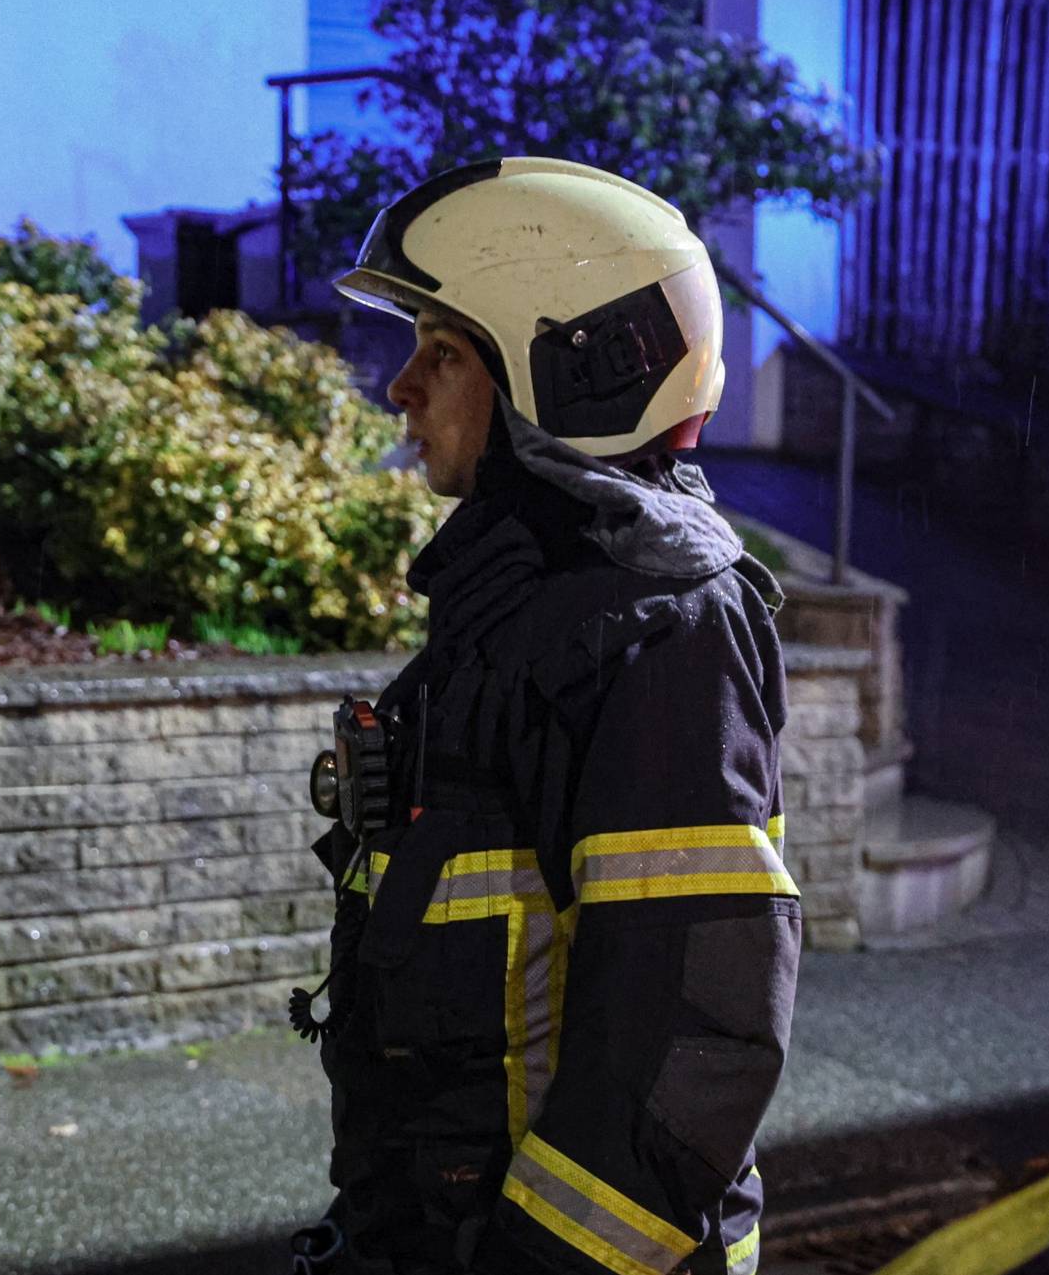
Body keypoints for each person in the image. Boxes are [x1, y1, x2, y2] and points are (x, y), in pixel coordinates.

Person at [292, 157, 800, 1275]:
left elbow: (691, 1038)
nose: (401, 387)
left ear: (566, 375)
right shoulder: (521, 610)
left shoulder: (662, 629)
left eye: (443, 353)